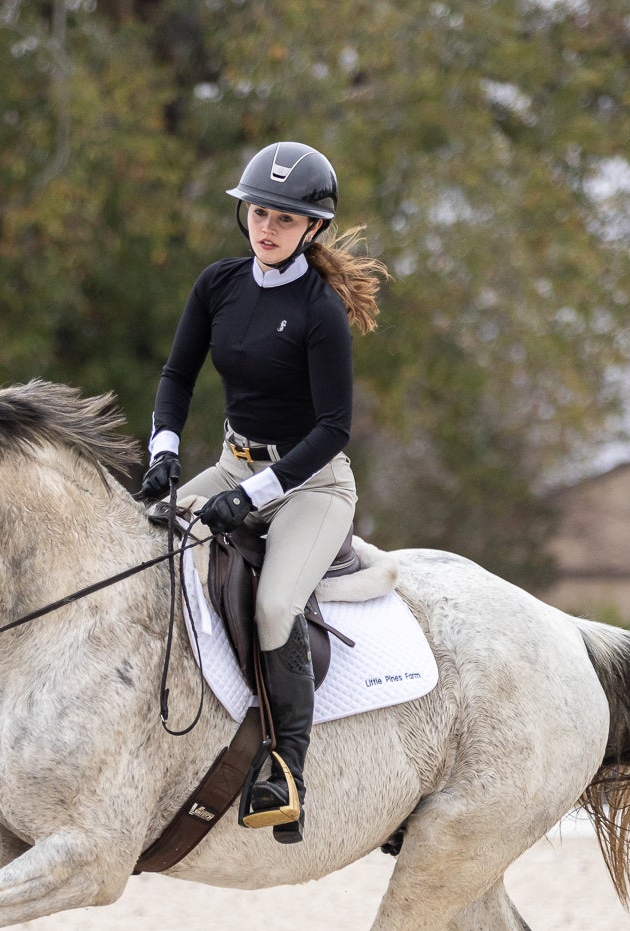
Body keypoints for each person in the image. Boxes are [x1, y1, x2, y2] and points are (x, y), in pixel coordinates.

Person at [138, 140, 388, 845]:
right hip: (232, 464)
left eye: (284, 218)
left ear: (312, 229)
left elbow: (334, 429)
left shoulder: (319, 311)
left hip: (310, 481)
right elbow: (177, 375)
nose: (266, 227)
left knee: (276, 605)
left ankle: (286, 772)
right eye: (258, 212)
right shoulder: (218, 285)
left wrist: (253, 498)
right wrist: (164, 452)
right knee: (142, 544)